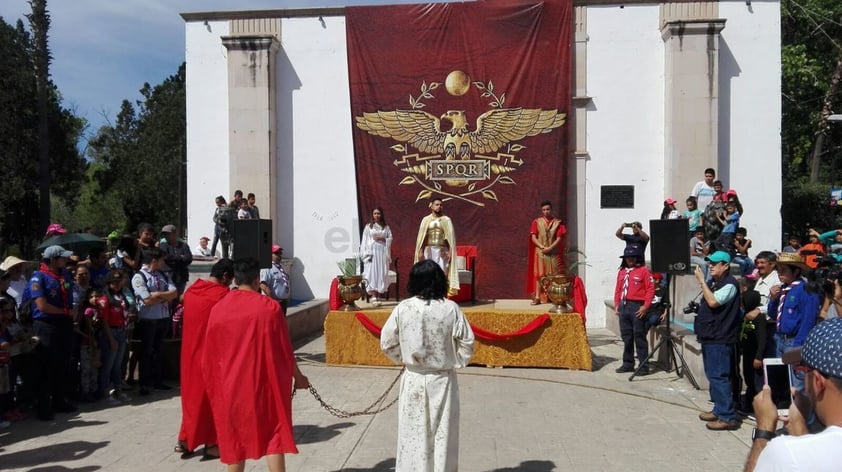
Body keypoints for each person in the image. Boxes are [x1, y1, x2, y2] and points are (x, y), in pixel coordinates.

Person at [202, 258, 309, 472]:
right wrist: (298, 377)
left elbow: (210, 355)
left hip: (232, 386)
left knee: (235, 442)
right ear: (257, 279)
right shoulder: (270, 308)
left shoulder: (219, 309)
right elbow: (285, 350)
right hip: (266, 386)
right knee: (274, 436)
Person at [380, 260, 475, 472]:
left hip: (414, 378)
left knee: (413, 435)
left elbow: (387, 343)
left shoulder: (403, 308)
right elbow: (467, 342)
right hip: (442, 380)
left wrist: (404, 359)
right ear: (440, 281)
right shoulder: (451, 309)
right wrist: (454, 361)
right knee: (442, 435)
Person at [744, 317, 842, 472]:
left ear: (818, 381)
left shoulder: (786, 453)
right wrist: (800, 431)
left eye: (803, 371)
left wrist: (764, 430)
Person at [176, 258, 234, 458]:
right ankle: (211, 443)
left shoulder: (192, 291)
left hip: (189, 354)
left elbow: (181, 299)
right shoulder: (223, 296)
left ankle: (185, 440)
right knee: (212, 399)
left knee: (191, 399)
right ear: (225, 276)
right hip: (212, 356)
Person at [24, 245, 79, 421]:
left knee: (63, 364)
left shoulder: (64, 275)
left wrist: (72, 312)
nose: (65, 260)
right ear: (53, 259)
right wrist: (65, 312)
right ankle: (43, 406)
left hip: (64, 323)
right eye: (62, 258)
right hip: (46, 325)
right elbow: (41, 305)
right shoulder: (38, 277)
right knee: (46, 366)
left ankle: (59, 400)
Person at [694, 250, 743, 431]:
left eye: (715, 263)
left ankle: (728, 416)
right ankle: (719, 409)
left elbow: (714, 302)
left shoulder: (730, 284)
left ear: (726, 265)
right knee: (713, 375)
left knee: (719, 376)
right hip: (710, 336)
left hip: (720, 337)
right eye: (710, 263)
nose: (711, 266)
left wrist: (701, 281)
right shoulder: (714, 283)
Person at [767, 252, 822, 391]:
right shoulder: (784, 289)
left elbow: (808, 320)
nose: (780, 273)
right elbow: (773, 314)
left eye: (784, 270)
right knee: (784, 381)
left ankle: (803, 411)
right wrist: (773, 299)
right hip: (780, 339)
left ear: (796, 270)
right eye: (778, 270)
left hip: (794, 341)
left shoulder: (805, 290)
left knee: (798, 383)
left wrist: (799, 345)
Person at [131, 248, 178, 396]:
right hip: (148, 319)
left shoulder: (162, 274)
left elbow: (174, 293)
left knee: (158, 351)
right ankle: (144, 383)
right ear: (154, 261)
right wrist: (164, 296)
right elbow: (147, 300)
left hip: (163, 318)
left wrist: (158, 294)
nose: (163, 263)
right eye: (161, 260)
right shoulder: (139, 277)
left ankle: (158, 380)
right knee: (146, 351)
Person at [613, 246, 655, 374]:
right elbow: (618, 289)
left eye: (632, 257)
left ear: (636, 258)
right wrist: (616, 304)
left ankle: (643, 366)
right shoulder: (622, 272)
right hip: (624, 306)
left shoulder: (643, 271)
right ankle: (628, 363)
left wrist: (645, 306)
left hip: (637, 306)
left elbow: (650, 289)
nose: (630, 259)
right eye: (627, 257)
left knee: (639, 336)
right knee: (627, 337)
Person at [96, 270, 130, 404]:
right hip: (111, 332)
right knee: (108, 365)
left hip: (122, 332)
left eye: (118, 282)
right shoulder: (105, 299)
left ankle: (118, 390)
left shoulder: (121, 296)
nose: (116, 284)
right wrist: (111, 339)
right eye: (114, 282)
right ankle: (105, 393)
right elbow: (104, 321)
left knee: (118, 365)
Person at [414, 198, 458, 296]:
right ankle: (428, 293)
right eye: (437, 204)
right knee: (428, 272)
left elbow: (450, 238)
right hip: (429, 250)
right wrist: (420, 251)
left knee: (441, 272)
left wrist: (450, 251)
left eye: (441, 205)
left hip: (442, 249)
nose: (439, 207)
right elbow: (422, 237)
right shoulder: (426, 220)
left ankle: (441, 294)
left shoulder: (446, 220)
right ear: (431, 205)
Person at [527, 200, 567, 305]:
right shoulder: (536, 222)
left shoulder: (557, 222)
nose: (546, 211)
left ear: (551, 209)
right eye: (544, 210)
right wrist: (541, 246)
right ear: (541, 210)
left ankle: (553, 296)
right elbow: (533, 237)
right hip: (540, 252)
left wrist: (550, 248)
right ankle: (537, 297)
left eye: (548, 209)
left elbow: (559, 238)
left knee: (553, 275)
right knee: (539, 275)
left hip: (552, 251)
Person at [738, 273, 764, 416]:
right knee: (748, 378)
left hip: (755, 355)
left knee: (756, 382)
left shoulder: (759, 318)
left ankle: (757, 407)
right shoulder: (745, 315)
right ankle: (747, 403)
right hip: (747, 353)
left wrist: (759, 356)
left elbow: (762, 339)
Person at [359, 208, 392, 306]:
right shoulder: (368, 227)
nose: (377, 215)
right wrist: (365, 254)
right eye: (375, 213)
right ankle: (373, 295)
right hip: (372, 253)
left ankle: (378, 295)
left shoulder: (386, 227)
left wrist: (382, 238)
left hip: (382, 252)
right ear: (372, 215)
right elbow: (364, 241)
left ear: (381, 215)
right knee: (372, 273)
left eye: (378, 213)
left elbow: (390, 238)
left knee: (380, 272)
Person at [754, 251, 781, 358]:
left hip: (771, 327)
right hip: (759, 326)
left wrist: (758, 310)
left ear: (772, 264)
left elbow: (777, 303)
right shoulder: (761, 279)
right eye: (758, 263)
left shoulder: (777, 280)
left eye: (762, 263)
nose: (759, 265)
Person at [159, 224, 193, 295]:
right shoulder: (163, 245)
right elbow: (166, 258)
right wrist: (180, 257)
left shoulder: (184, 245)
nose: (166, 236)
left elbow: (189, 259)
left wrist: (174, 258)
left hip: (181, 276)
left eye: (168, 234)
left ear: (174, 234)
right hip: (168, 276)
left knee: (179, 296)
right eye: (164, 234)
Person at [259, 245, 291, 314]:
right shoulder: (267, 267)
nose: (279, 255)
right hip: (274, 303)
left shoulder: (280, 267)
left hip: (283, 302)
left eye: (280, 253)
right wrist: (274, 301)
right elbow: (263, 285)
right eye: (276, 253)